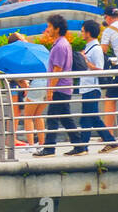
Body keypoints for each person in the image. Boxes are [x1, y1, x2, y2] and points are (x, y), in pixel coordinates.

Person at [31, 14, 79, 157]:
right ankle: (80, 145)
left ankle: (49, 149)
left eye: (50, 26)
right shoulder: (63, 43)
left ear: (57, 29)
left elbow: (57, 69)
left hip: (59, 87)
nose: (48, 29)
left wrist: (50, 90)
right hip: (64, 87)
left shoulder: (59, 46)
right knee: (65, 118)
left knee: (52, 118)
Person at [74, 20, 118, 152]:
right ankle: (84, 146)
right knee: (88, 118)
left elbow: (99, 69)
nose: (81, 33)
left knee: (90, 118)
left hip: (92, 88)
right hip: (86, 87)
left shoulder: (96, 49)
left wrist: (86, 62)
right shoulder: (88, 47)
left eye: (82, 31)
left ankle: (86, 146)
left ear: (88, 32)